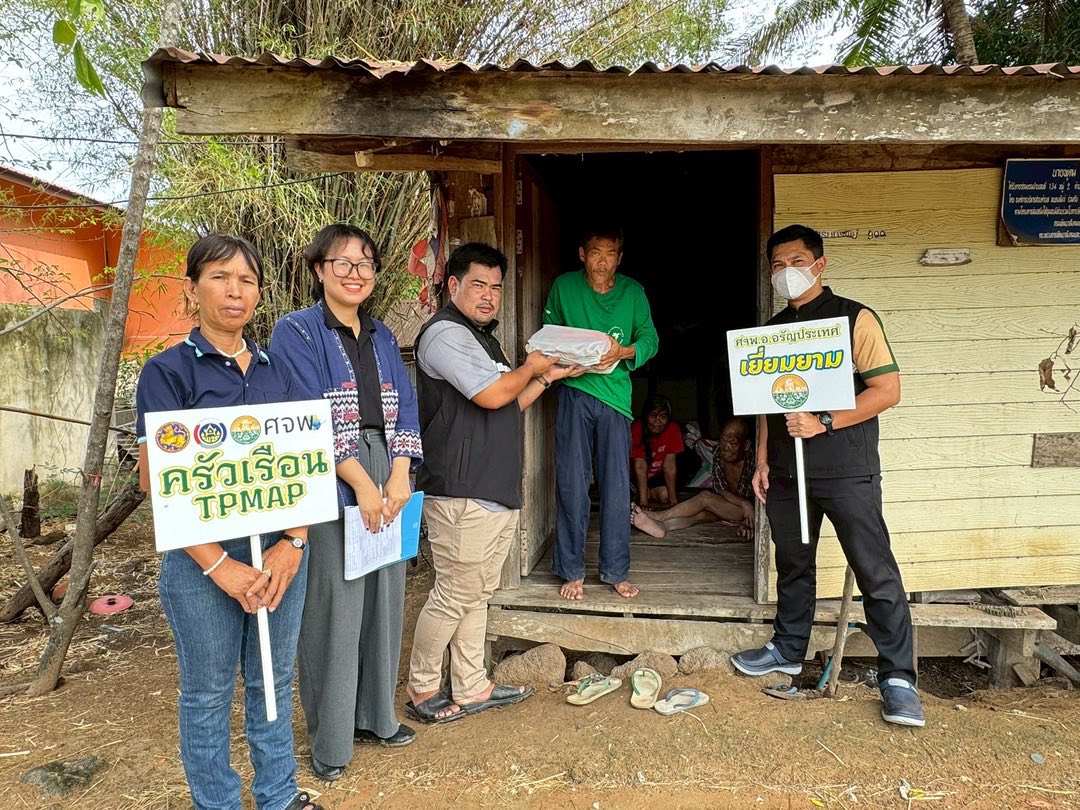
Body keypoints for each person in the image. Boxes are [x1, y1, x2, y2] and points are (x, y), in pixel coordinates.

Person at [136, 235, 321, 810]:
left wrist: (293, 544)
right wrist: (221, 567)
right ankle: (215, 803)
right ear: (192, 289)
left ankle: (280, 796)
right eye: (219, 277)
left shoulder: (280, 373)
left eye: (246, 279)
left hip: (279, 553)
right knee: (208, 693)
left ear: (260, 294)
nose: (234, 290)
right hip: (201, 560)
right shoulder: (166, 374)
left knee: (273, 679)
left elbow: (306, 469)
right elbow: (157, 483)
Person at [730, 224, 924, 728]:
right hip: (788, 476)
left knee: (874, 569)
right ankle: (788, 650)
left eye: (796, 261)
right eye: (777, 265)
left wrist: (825, 422)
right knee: (794, 564)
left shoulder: (854, 318)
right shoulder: (772, 332)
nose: (786, 272)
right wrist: (763, 460)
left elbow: (887, 390)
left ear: (820, 264)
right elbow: (764, 404)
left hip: (846, 469)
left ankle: (899, 677)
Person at [270, 224, 423, 780]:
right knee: (337, 605)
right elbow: (307, 413)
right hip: (332, 472)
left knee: (386, 596)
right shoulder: (296, 332)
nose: (356, 272)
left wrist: (400, 472)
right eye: (343, 262)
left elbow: (405, 404)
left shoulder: (382, 334)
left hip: (387, 462)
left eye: (366, 263)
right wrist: (360, 483)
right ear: (319, 270)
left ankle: (377, 718)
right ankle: (331, 741)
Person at [405, 243, 582, 723]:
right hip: (462, 489)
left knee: (476, 592)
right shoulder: (445, 334)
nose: (489, 296)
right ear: (453, 285)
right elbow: (489, 394)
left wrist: (550, 378)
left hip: (491, 486)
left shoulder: (482, 339)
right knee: (454, 593)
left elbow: (509, 403)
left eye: (496, 287)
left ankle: (472, 685)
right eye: (478, 285)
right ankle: (422, 689)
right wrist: (532, 367)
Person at [543, 223, 659, 601]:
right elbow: (548, 334)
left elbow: (650, 340)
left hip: (615, 400)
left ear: (619, 258)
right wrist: (564, 361)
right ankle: (571, 570)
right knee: (573, 483)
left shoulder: (633, 292)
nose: (602, 262)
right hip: (575, 392)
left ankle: (615, 570)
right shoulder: (564, 287)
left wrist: (621, 352)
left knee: (614, 486)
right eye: (595, 253)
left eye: (610, 254)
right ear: (582, 254)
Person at [631, 417, 755, 539]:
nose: (726, 447)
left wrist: (752, 521)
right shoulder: (719, 454)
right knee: (699, 516)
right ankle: (663, 527)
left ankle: (659, 516)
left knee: (705, 497)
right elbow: (721, 490)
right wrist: (743, 503)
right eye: (723, 440)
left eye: (733, 443)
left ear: (746, 445)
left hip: (752, 513)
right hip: (731, 507)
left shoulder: (753, 461)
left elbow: (763, 500)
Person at [630, 394, 683, 509]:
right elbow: (640, 466)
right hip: (635, 477)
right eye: (653, 415)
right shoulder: (637, 427)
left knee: (665, 496)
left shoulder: (673, 428)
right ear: (646, 416)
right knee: (631, 497)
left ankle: (648, 492)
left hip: (655, 477)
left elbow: (669, 466)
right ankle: (644, 494)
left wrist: (673, 503)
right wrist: (644, 503)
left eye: (663, 417)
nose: (657, 421)